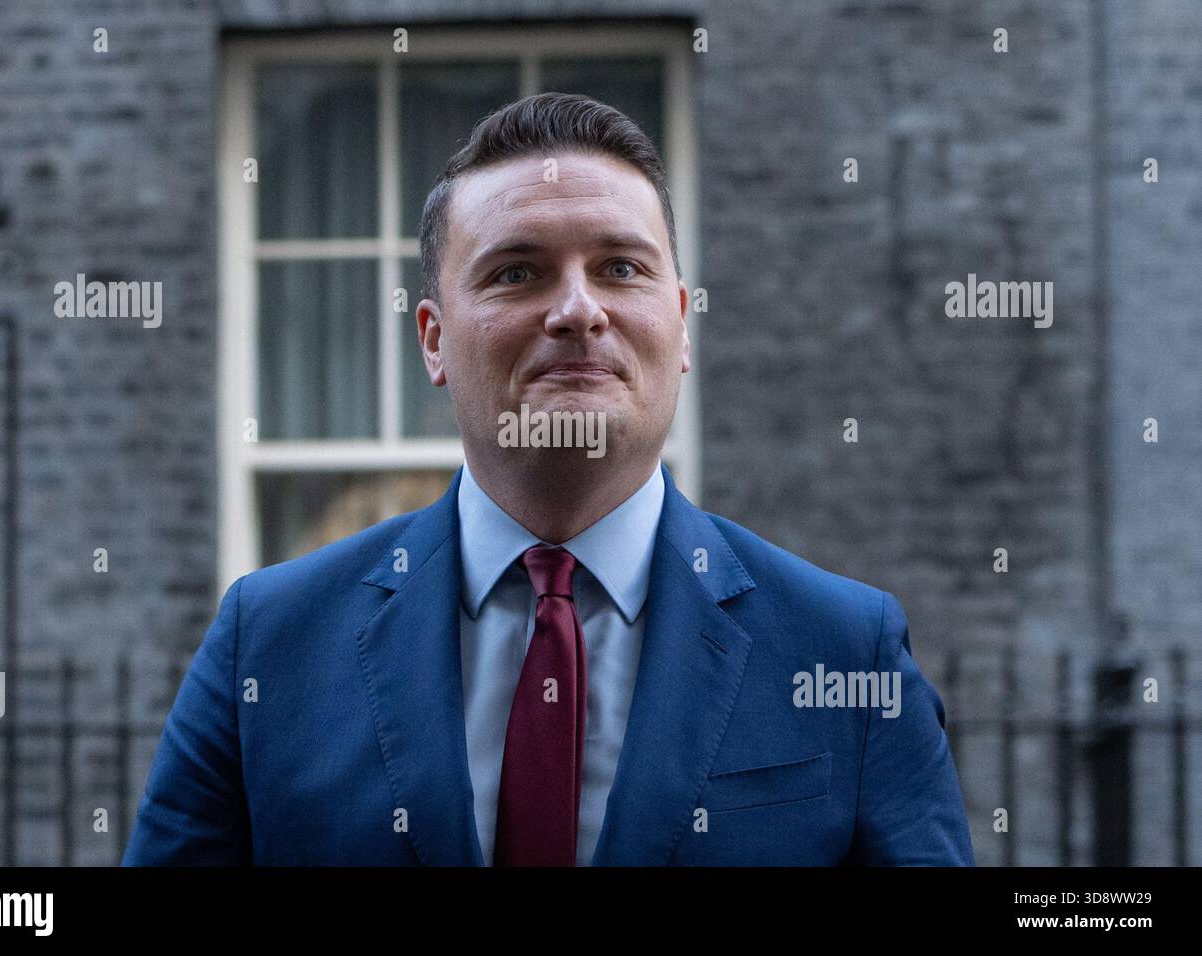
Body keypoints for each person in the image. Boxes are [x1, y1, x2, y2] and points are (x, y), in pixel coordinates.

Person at [123, 92, 974, 866]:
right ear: (432, 339)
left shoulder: (843, 650)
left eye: (621, 268)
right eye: (517, 272)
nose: (577, 309)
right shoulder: (267, 644)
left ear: (680, 327)